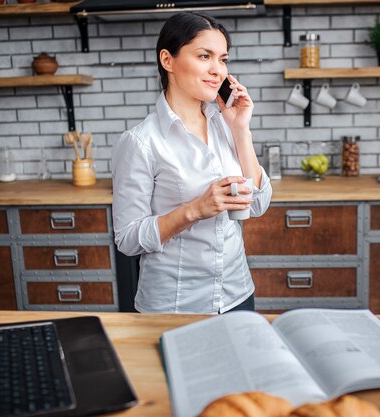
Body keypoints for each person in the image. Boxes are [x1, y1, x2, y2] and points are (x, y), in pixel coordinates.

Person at [111, 12, 272, 314]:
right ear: (167, 60)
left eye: (223, 59)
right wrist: (195, 210)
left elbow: (258, 204)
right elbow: (128, 240)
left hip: (237, 295)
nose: (218, 70)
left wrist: (241, 130)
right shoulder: (141, 142)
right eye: (204, 56)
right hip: (176, 305)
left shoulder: (226, 124)